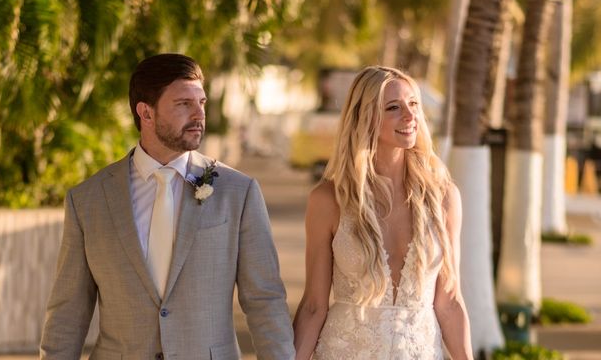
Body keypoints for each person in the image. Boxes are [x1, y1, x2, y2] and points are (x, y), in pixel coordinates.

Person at [40, 53, 294, 359]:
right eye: (183, 104)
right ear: (145, 113)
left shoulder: (238, 193)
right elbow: (68, 312)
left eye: (201, 102)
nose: (199, 115)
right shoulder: (88, 201)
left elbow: (264, 300)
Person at [293, 66, 473, 359]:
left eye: (413, 104)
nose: (410, 115)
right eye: (393, 107)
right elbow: (314, 305)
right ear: (365, 117)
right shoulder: (328, 200)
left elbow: (450, 301)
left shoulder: (443, 197)